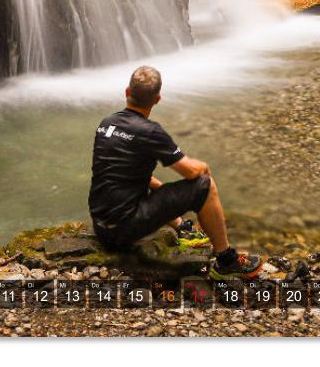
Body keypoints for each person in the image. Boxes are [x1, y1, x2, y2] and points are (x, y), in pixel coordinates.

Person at [88, 65, 264, 279]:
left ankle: (183, 227)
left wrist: (169, 201)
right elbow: (191, 172)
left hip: (101, 227)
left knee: (151, 185)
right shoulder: (150, 132)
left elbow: (127, 176)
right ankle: (226, 261)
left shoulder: (107, 124)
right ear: (157, 99)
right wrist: (202, 166)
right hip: (123, 231)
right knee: (205, 184)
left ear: (127, 92)